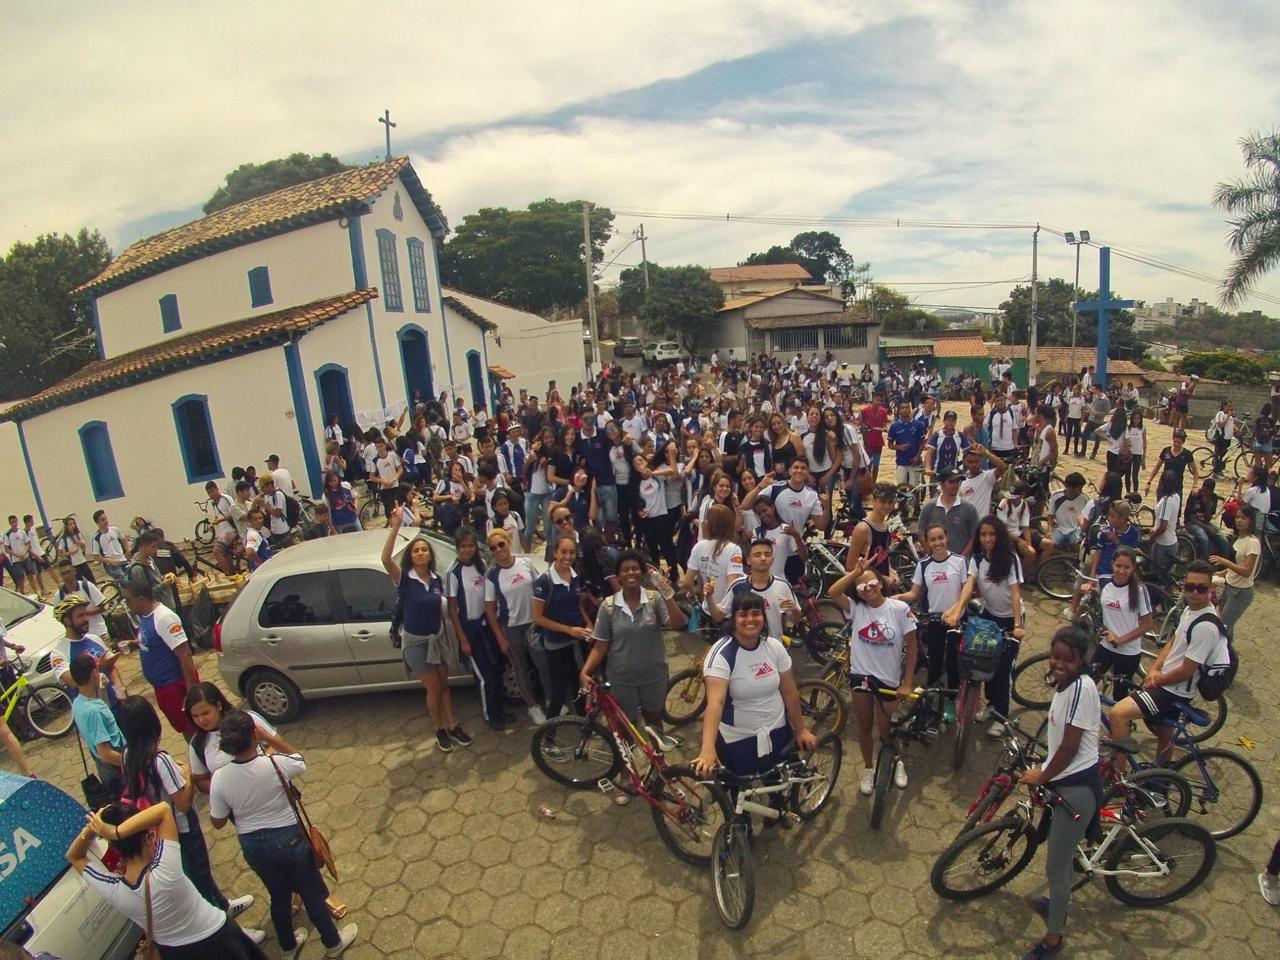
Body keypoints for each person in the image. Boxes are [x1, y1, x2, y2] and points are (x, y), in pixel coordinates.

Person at [209, 711, 357, 959]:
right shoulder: (274, 764)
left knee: (278, 895)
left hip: (253, 846)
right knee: (310, 891)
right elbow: (299, 760)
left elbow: (218, 822)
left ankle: (287, 947)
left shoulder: (220, 779)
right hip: (289, 839)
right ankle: (333, 943)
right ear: (254, 735)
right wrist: (271, 738)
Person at [115, 696, 257, 925]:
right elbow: (182, 803)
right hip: (181, 827)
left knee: (200, 876)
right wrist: (188, 775)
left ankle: (223, 905)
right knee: (199, 877)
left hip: (158, 833)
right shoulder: (159, 760)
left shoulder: (127, 754)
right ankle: (226, 927)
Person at [69, 801, 268, 959]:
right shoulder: (166, 868)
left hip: (176, 953)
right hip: (219, 938)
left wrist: (93, 828)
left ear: (116, 849)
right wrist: (112, 831)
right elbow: (163, 810)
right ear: (146, 838)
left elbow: (74, 856)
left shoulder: (114, 889)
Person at [1018, 625, 1101, 960]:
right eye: (1055, 656)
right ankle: (1057, 903)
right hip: (1062, 779)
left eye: (1068, 659)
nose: (1059, 663)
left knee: (1057, 866)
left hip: (1076, 788)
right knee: (1059, 861)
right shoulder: (1065, 686)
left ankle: (1053, 939)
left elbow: (1069, 746)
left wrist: (1042, 775)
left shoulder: (1082, 689)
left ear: (1081, 660)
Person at [1108, 561, 1230, 767]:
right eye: (1189, 586)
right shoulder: (1190, 610)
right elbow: (1173, 641)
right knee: (1165, 736)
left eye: (1200, 588)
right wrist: (1154, 668)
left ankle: (1118, 781)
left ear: (1210, 590)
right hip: (1167, 681)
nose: (1193, 592)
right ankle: (1161, 779)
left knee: (1118, 714)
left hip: (1173, 690)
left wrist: (1157, 679)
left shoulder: (1206, 626)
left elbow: (1187, 670)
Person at [692, 591, 817, 778]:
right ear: (733, 619)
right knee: (741, 799)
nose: (750, 619)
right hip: (738, 739)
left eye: (756, 614)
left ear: (764, 618)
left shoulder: (774, 647)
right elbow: (715, 703)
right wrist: (708, 749)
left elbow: (789, 692)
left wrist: (800, 729)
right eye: (743, 614)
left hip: (778, 731)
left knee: (779, 788)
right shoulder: (721, 654)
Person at [381, 513, 470, 752]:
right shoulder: (405, 580)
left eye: (424, 550)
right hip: (416, 644)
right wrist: (396, 526)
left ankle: (452, 725)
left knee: (444, 686)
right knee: (433, 689)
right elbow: (385, 559)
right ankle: (438, 728)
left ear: (430, 556)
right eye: (416, 550)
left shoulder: (436, 580)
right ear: (410, 556)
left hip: (437, 640)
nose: (420, 553)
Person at [828, 559, 918, 793]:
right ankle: (869, 768)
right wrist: (855, 573)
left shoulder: (899, 609)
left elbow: (913, 646)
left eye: (872, 583)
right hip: (861, 677)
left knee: (889, 728)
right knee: (865, 726)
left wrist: (907, 682)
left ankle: (897, 761)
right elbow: (832, 592)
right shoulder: (856, 609)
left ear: (881, 582)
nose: (868, 589)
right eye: (861, 587)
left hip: (889, 680)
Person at [579, 550, 686, 739]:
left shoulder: (654, 599)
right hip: (622, 680)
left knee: (654, 721)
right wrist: (585, 671)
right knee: (627, 726)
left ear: (643, 573)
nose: (631, 573)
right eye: (625, 569)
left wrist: (667, 593)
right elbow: (600, 645)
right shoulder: (608, 606)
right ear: (618, 575)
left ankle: (658, 763)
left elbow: (678, 624)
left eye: (635, 568)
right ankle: (628, 767)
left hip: (653, 677)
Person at [950, 517, 1026, 737]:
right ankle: (990, 706)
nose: (987, 538)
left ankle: (1001, 716)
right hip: (989, 616)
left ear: (999, 535)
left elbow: (1015, 592)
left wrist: (1017, 625)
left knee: (1002, 671)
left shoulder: (1010, 559)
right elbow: (969, 587)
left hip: (1011, 620)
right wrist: (957, 610)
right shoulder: (977, 558)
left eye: (992, 534)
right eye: (983, 534)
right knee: (984, 661)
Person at [893, 524, 967, 719]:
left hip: (955, 619)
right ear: (927, 542)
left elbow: (967, 592)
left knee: (952, 660)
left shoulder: (959, 562)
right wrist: (898, 597)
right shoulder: (923, 565)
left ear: (947, 538)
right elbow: (914, 593)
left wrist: (954, 612)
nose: (937, 542)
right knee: (933, 660)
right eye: (933, 539)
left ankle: (951, 701)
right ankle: (930, 698)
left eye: (940, 538)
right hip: (934, 619)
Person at [483, 528, 548, 725]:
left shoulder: (525, 563)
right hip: (512, 629)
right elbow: (490, 611)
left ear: (508, 541)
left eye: (501, 544)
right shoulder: (492, 576)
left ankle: (552, 699)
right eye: (493, 548)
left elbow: (540, 589)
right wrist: (500, 638)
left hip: (534, 624)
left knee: (543, 665)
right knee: (520, 669)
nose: (499, 550)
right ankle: (533, 707)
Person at [445, 527, 508, 730]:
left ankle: (501, 708)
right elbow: (453, 611)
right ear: (457, 547)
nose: (467, 550)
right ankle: (491, 715)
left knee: (498, 669)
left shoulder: (480, 566)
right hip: (472, 631)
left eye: (471, 545)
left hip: (488, 626)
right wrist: (463, 640)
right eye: (463, 546)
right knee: (486, 677)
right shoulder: (453, 573)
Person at [123, 581, 199, 739]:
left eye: (128, 600)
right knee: (182, 727)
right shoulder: (145, 617)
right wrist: (134, 643)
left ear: (141, 599)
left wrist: (191, 692)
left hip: (176, 686)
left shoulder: (164, 618)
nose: (127, 605)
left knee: (192, 728)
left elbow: (184, 654)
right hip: (163, 688)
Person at [531, 534, 593, 719]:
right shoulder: (545, 581)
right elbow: (538, 618)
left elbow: (579, 605)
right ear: (554, 553)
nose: (568, 557)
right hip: (557, 643)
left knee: (579, 685)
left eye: (572, 552)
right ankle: (549, 740)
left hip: (578, 641)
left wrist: (588, 624)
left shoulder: (577, 576)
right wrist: (568, 630)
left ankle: (584, 728)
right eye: (563, 552)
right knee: (559, 691)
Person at [1082, 547, 1152, 700]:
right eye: (1118, 566)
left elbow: (1147, 625)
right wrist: (1091, 591)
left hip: (1128, 653)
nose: (1121, 571)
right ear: (1112, 564)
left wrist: (1121, 639)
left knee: (1119, 696)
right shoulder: (1104, 580)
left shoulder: (1139, 590)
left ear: (1133, 567)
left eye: (1127, 567)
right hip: (1105, 646)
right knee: (1086, 684)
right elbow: (1102, 599)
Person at [719, 538, 800, 640]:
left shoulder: (783, 585)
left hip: (773, 646)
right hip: (745, 645)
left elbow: (794, 621)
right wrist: (708, 597)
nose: (763, 558)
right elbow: (718, 616)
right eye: (757, 555)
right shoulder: (738, 585)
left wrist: (794, 610)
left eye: (767, 554)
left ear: (772, 560)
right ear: (748, 561)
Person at [69, 654, 124, 793]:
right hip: (118, 771)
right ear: (93, 674)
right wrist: (134, 763)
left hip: (104, 768)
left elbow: (103, 712)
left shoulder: (78, 703)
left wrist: (102, 689)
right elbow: (106, 753)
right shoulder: (93, 712)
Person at [1210, 508, 1260, 639]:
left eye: (1243, 518)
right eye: (1238, 517)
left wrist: (1224, 562)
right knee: (1225, 625)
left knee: (1223, 626)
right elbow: (1239, 564)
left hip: (1241, 592)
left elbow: (1247, 571)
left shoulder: (1252, 543)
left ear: (1251, 520)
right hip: (1230, 585)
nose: (1239, 520)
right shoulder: (1239, 539)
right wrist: (1225, 571)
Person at [916, 468, 978, 556]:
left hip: (960, 565)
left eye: (957, 482)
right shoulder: (929, 507)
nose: (955, 485)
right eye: (951, 482)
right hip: (936, 564)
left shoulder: (969, 509)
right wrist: (932, 555)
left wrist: (961, 558)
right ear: (941, 484)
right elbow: (921, 533)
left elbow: (974, 536)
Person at [0, 628, 34, 777]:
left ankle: (26, 772)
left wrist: (13, 647)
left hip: (4, 667)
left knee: (6, 732)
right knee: (6, 732)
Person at [957, 443, 1008, 519]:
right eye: (971, 462)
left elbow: (1002, 467)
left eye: (976, 461)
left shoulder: (987, 477)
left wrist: (986, 453)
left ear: (980, 461)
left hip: (981, 524)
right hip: (966, 524)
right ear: (966, 463)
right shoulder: (961, 481)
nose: (974, 465)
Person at [1145, 428, 1198, 498]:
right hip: (1164, 484)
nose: (1176, 444)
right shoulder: (1166, 451)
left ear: (1183, 443)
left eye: (1179, 443)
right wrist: (1149, 482)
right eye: (1175, 441)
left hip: (1177, 486)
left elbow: (1195, 470)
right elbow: (1157, 467)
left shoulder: (1187, 454)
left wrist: (1195, 485)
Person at [1183, 477, 1227, 560]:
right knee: (1204, 539)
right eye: (1203, 490)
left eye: (1206, 491)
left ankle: (1224, 562)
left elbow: (1208, 518)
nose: (1204, 493)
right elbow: (1191, 517)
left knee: (1223, 539)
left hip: (1204, 522)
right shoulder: (1195, 495)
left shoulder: (1213, 498)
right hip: (1192, 523)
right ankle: (1203, 561)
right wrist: (1206, 528)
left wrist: (1208, 505)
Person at [1149, 469, 1182, 579]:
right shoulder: (1176, 496)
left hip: (1164, 543)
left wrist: (1152, 536)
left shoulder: (1167, 501)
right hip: (1169, 540)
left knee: (1159, 575)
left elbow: (1163, 526)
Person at [89, 510, 130, 587]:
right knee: (123, 580)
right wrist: (110, 561)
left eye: (106, 518)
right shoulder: (96, 537)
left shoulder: (115, 529)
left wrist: (128, 551)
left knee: (133, 577)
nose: (106, 521)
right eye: (102, 520)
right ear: (97, 523)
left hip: (123, 559)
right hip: (111, 564)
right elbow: (96, 556)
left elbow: (124, 539)